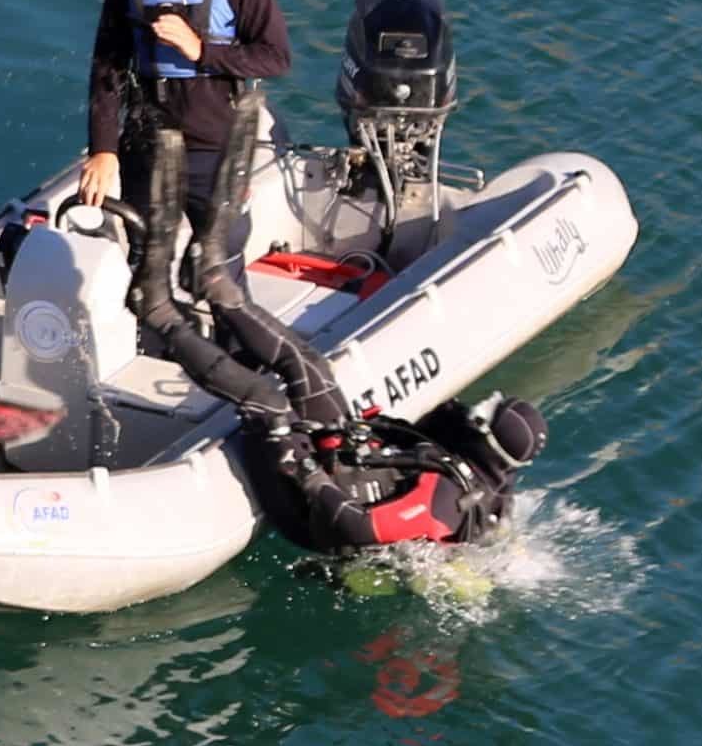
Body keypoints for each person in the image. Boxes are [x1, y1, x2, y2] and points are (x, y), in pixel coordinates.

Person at [125, 101, 548, 553]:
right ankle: (215, 284)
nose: (473, 411)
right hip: (346, 461)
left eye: (483, 415)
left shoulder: (448, 498)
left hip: (310, 515)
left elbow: (361, 529)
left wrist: (306, 474)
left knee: (267, 402)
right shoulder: (482, 475)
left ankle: (159, 314)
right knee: (307, 366)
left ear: (488, 439)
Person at [78, 0, 292, 283]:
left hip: (213, 145)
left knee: (216, 263)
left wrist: (201, 51)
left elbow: (275, 58)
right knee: (146, 260)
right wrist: (102, 149)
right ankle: (155, 339)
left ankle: (231, 341)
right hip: (148, 140)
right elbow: (107, 67)